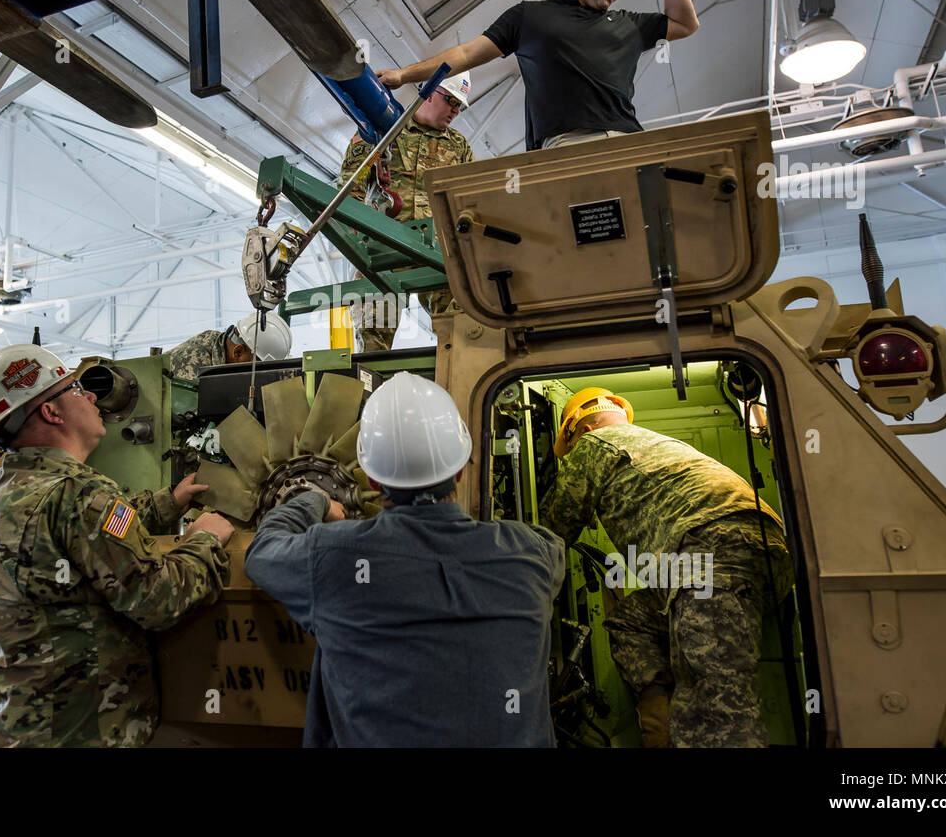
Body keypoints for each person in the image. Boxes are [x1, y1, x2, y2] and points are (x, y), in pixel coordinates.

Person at [245, 372, 565, 746]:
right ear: (460, 470)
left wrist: (313, 498)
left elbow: (262, 552)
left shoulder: (333, 559)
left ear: (373, 481)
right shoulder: (533, 555)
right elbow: (552, 547)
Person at [0, 343, 235, 746]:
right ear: (51, 412)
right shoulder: (79, 492)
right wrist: (205, 542)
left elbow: (86, 535)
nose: (91, 396)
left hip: (10, 728)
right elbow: (158, 599)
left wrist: (167, 502)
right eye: (75, 389)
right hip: (82, 732)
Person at [538, 387, 794, 748]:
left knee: (713, 708)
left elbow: (553, 528)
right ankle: (659, 735)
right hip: (757, 557)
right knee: (631, 621)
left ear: (575, 430)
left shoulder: (597, 444)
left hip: (709, 558)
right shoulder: (655, 443)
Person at [377, 0, 699, 151]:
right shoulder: (530, 17)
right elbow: (465, 55)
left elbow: (686, 23)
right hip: (565, 147)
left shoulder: (629, 24)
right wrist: (403, 75)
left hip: (630, 142)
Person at [336, 72, 477, 351]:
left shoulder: (459, 146)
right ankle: (375, 389)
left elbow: (471, 201)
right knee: (373, 338)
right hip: (382, 246)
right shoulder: (384, 128)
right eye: (451, 101)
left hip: (437, 253)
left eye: (460, 105)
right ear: (430, 91)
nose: (455, 110)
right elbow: (350, 186)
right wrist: (357, 238)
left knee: (464, 328)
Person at [166, 310, 292, 382]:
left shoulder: (221, 345)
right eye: (255, 367)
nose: (257, 375)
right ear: (238, 352)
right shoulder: (193, 367)